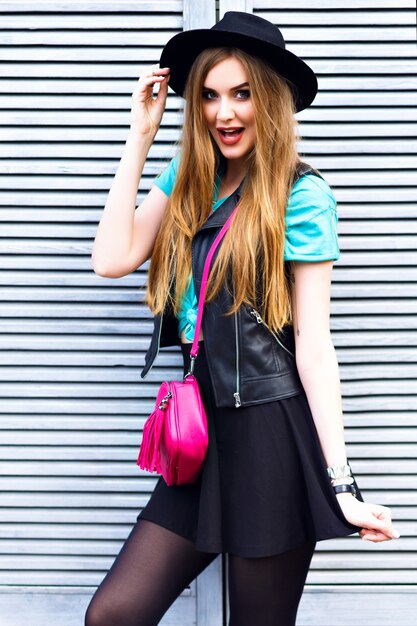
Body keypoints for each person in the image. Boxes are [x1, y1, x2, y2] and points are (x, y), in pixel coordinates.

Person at [85, 11, 400, 626]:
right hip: (199, 443)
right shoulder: (190, 180)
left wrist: (341, 483)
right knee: (113, 614)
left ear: (272, 100)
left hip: (271, 441)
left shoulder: (301, 196)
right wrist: (139, 140)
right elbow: (111, 258)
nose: (224, 113)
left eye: (242, 94)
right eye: (209, 96)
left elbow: (313, 344)